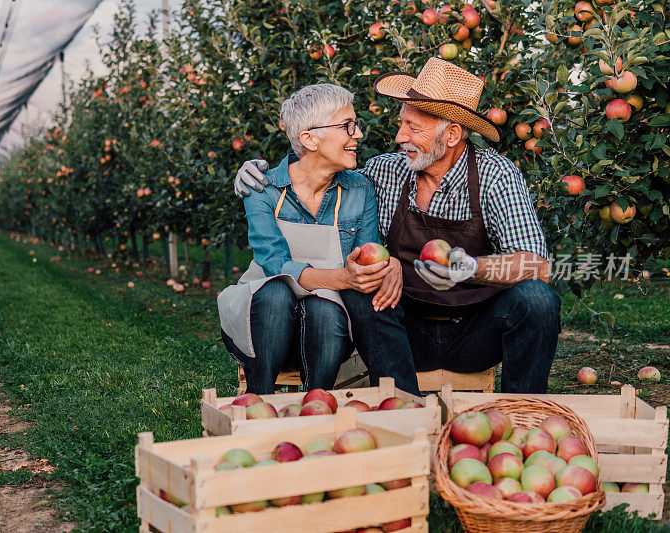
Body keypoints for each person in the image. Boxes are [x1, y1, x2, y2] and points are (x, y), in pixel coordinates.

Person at [234, 58, 561, 394]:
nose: (399, 136)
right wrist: (259, 175)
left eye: (412, 128)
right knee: (362, 289)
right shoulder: (385, 171)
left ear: (451, 134)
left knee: (537, 298)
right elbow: (319, 178)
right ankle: (401, 406)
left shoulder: (496, 175)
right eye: (401, 123)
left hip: (474, 331)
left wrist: (466, 267)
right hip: (403, 331)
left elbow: (537, 266)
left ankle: (522, 410)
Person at [218, 83, 419, 395]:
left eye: (357, 125)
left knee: (324, 311)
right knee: (275, 294)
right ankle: (260, 398)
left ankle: (317, 401)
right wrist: (345, 276)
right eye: (347, 126)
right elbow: (274, 264)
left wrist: (386, 264)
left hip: (325, 323)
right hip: (264, 322)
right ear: (309, 138)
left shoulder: (359, 189)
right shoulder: (262, 189)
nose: (358, 135)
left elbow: (368, 253)